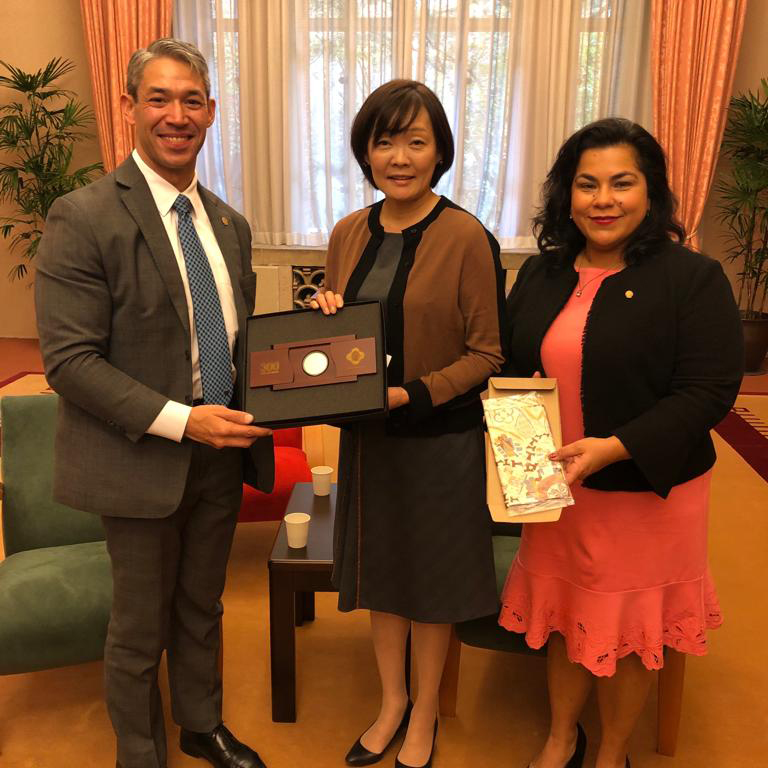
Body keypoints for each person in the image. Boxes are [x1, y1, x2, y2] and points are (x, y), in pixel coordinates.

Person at [35, 39, 274, 768]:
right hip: (140, 458)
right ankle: (140, 753)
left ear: (211, 112)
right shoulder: (83, 216)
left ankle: (201, 726)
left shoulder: (228, 224)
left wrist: (315, 340)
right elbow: (71, 362)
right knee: (140, 625)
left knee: (203, 606)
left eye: (192, 100)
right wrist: (182, 420)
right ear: (130, 107)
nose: (178, 115)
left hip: (220, 457)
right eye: (161, 99)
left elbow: (238, 343)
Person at [498, 117, 743, 768]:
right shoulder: (541, 274)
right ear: (566, 196)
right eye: (587, 185)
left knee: (630, 632)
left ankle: (611, 752)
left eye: (621, 183)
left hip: (645, 489)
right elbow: (513, 371)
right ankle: (559, 737)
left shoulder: (692, 278)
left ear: (651, 190)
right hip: (554, 486)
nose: (603, 200)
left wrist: (613, 447)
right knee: (563, 613)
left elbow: (708, 392)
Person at [310, 80, 506, 768]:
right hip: (369, 440)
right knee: (384, 576)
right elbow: (334, 338)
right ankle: (390, 699)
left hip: (438, 440)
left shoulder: (466, 236)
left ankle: (424, 712)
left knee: (432, 584)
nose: (399, 156)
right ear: (367, 149)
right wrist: (324, 315)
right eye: (385, 140)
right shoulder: (347, 232)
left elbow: (488, 352)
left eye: (416, 141)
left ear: (439, 152)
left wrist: (414, 394)